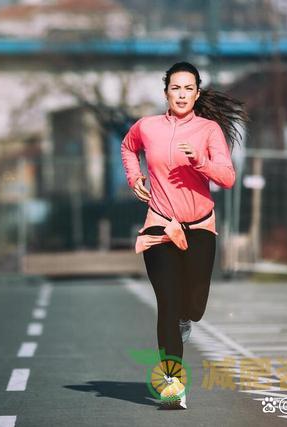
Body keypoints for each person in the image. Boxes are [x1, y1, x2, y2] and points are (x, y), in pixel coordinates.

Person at [120, 61, 248, 408]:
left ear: (196, 93)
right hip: (160, 226)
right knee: (168, 304)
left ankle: (185, 319)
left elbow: (228, 177)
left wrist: (200, 163)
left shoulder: (208, 131)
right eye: (175, 88)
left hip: (200, 227)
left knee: (194, 305)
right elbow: (128, 147)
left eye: (188, 88)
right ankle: (173, 383)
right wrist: (135, 179)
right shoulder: (147, 127)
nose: (181, 94)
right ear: (166, 93)